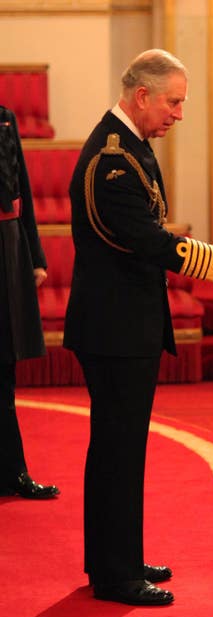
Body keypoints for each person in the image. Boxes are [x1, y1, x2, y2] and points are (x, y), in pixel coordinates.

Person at [64, 49, 213, 607]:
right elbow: (152, 243)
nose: (179, 114)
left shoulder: (131, 146)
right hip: (112, 329)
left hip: (123, 323)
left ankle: (120, 559)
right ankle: (113, 575)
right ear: (142, 97)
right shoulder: (113, 160)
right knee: (116, 448)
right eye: (174, 101)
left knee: (124, 446)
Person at [0, 105, 60, 501]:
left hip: (7, 247)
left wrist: (35, 255)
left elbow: (21, 187)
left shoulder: (5, 116)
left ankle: (13, 472)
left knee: (4, 368)